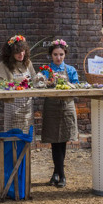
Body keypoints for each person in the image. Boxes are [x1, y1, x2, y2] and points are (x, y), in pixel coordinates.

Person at [40, 39, 79, 188]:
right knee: (54, 141)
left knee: (63, 140)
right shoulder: (45, 69)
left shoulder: (70, 70)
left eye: (61, 54)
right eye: (55, 54)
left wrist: (68, 84)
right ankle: (59, 174)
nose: (58, 57)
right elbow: (40, 84)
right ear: (51, 55)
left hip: (66, 106)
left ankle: (59, 174)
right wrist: (47, 82)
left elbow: (76, 86)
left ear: (65, 55)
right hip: (51, 106)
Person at [0, 35, 38, 131]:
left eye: (23, 51)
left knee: (27, 136)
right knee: (13, 135)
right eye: (17, 52)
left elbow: (34, 79)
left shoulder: (28, 63)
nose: (21, 54)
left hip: (27, 106)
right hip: (12, 106)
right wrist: (16, 81)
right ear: (10, 53)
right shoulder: (4, 65)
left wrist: (41, 79)